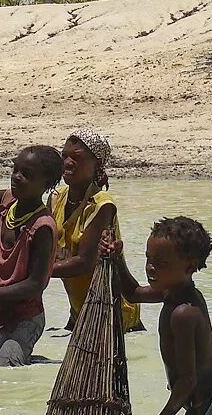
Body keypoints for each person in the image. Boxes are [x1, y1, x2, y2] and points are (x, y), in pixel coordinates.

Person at [108, 216, 212, 415]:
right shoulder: (173, 292)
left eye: (161, 263)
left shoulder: (183, 313)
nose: (151, 268)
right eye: (148, 259)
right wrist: (117, 258)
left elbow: (187, 381)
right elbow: (133, 293)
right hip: (203, 406)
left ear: (190, 266)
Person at [0, 140, 62, 366]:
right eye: (15, 169)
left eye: (26, 174)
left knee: (7, 370)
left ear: (47, 184)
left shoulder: (42, 226)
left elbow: (35, 285)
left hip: (24, 317)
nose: (16, 177)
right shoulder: (7, 201)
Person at [49, 128, 142, 332]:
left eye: (76, 157)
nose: (67, 163)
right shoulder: (56, 199)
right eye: (64, 156)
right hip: (79, 310)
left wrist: (35, 273)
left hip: (111, 311)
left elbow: (84, 262)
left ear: (97, 163)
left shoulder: (101, 205)